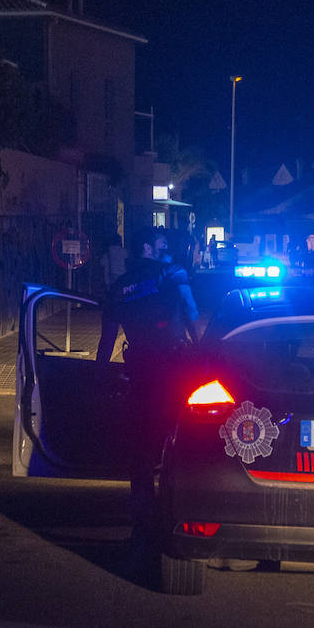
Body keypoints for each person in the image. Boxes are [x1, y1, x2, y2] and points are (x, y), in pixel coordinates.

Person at [96, 226, 200, 567]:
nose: (166, 249)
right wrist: (203, 354)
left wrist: (99, 376)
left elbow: (107, 338)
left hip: (140, 375)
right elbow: (191, 314)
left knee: (139, 457)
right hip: (175, 372)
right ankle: (179, 519)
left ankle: (142, 529)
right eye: (161, 244)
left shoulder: (117, 288)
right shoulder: (172, 273)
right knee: (178, 445)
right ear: (146, 247)